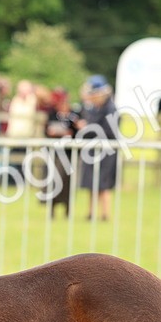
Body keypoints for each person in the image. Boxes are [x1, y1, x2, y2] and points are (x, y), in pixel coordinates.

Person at [75, 75, 120, 222]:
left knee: (103, 184)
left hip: (106, 152)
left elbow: (108, 131)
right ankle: (91, 212)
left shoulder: (111, 109)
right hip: (93, 150)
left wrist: (89, 128)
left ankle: (105, 214)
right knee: (91, 183)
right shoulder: (94, 108)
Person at [42, 88, 80, 217]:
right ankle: (51, 209)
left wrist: (72, 131)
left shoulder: (74, 114)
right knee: (53, 181)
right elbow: (46, 130)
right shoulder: (52, 114)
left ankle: (67, 209)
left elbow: (78, 132)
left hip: (69, 154)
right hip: (54, 153)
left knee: (67, 183)